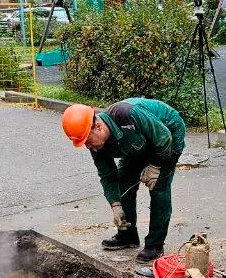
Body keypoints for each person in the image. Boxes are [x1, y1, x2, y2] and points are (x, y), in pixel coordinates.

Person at [62, 98, 186, 263]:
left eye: (88, 141)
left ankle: (155, 245)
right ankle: (127, 236)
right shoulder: (96, 144)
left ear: (98, 127)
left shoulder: (128, 115)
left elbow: (163, 138)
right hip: (136, 143)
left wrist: (155, 166)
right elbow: (107, 175)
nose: (88, 147)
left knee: (158, 188)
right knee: (124, 185)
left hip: (167, 133)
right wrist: (116, 205)